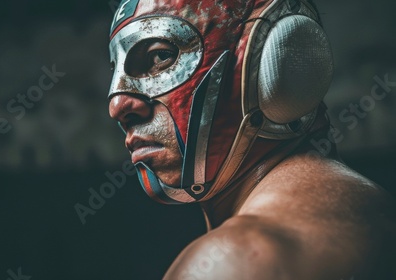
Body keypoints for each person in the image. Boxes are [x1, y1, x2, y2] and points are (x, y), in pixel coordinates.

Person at [107, 0, 396, 278]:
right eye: (115, 69)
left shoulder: (234, 260)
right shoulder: (369, 210)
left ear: (278, 55)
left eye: (160, 56)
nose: (117, 106)